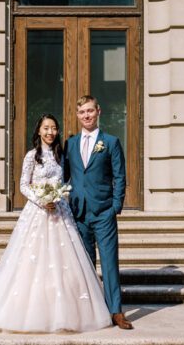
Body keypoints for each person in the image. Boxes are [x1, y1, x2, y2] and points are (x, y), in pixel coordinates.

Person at [0, 113, 111, 333]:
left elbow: (67, 180)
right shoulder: (32, 156)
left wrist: (58, 197)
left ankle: (68, 313)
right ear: (39, 130)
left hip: (60, 212)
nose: (50, 132)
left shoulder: (61, 156)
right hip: (37, 213)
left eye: (54, 128)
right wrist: (42, 200)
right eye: (46, 128)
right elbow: (23, 185)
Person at [64, 95, 133, 330]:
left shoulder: (111, 142)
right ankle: (91, 310)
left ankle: (115, 311)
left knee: (109, 263)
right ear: (77, 115)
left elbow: (120, 176)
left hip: (104, 212)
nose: (87, 115)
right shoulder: (70, 144)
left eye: (90, 111)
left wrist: (115, 206)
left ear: (98, 112)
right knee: (85, 264)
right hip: (79, 212)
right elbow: (64, 176)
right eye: (82, 112)